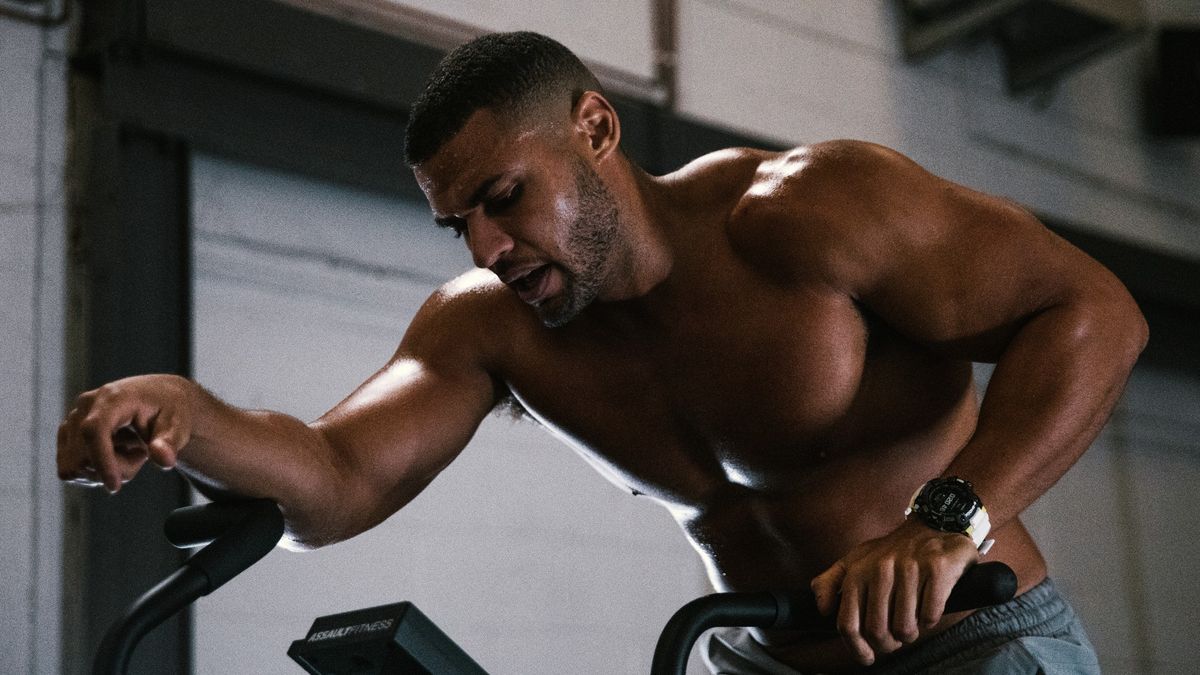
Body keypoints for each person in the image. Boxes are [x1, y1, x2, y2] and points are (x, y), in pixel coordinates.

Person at [58, 31, 1146, 674]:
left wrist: (947, 519)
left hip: (970, 647)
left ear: (595, 130)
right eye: (459, 226)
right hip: (760, 659)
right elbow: (336, 476)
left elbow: (1094, 313)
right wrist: (184, 413)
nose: (485, 246)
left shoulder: (809, 212)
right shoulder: (491, 326)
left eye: (501, 199)